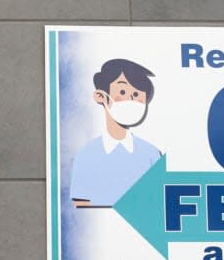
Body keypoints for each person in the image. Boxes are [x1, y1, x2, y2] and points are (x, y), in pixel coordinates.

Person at [69, 59, 161, 207]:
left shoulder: (151, 154)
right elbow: (81, 207)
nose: (131, 100)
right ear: (101, 96)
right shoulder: (86, 155)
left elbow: (157, 202)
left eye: (137, 95)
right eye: (123, 92)